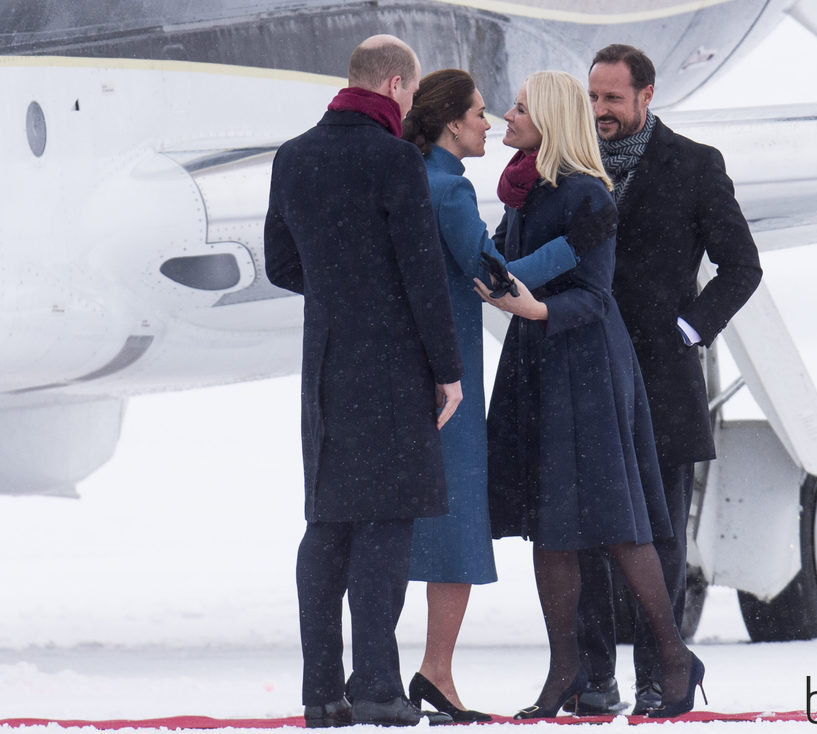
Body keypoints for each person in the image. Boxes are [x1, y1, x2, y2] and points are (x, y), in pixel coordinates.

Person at [475, 70, 705, 720]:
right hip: (537, 370)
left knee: (616, 526)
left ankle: (673, 658)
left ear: (546, 119)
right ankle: (567, 672)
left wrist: (527, 302)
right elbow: (494, 264)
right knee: (552, 531)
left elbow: (593, 295)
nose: (506, 117)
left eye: (518, 109)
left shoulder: (587, 197)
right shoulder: (521, 194)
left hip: (585, 368)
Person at [264, 35, 464, 728]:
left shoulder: (293, 157)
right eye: (409, 92)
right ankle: (378, 686)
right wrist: (448, 371)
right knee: (386, 519)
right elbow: (421, 274)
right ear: (394, 83)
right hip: (390, 362)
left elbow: (279, 263)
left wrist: (338, 291)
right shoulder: (392, 160)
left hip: (324, 359)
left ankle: (323, 691)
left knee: (328, 522)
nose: (410, 103)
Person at [573, 44, 763, 715]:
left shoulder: (694, 166)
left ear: (647, 96)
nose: (600, 112)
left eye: (613, 100)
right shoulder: (571, 163)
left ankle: (662, 674)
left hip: (661, 377)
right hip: (587, 373)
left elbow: (742, 267)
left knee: (660, 537)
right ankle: (593, 680)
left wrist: (689, 330)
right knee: (586, 533)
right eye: (593, 98)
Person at [400, 68, 592, 723]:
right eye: (481, 112)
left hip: (405, 372)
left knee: (405, 526)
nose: (489, 123)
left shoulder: (410, 177)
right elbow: (492, 280)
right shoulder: (447, 190)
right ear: (453, 121)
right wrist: (574, 246)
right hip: (448, 376)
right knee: (453, 527)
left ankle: (407, 670)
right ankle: (436, 673)